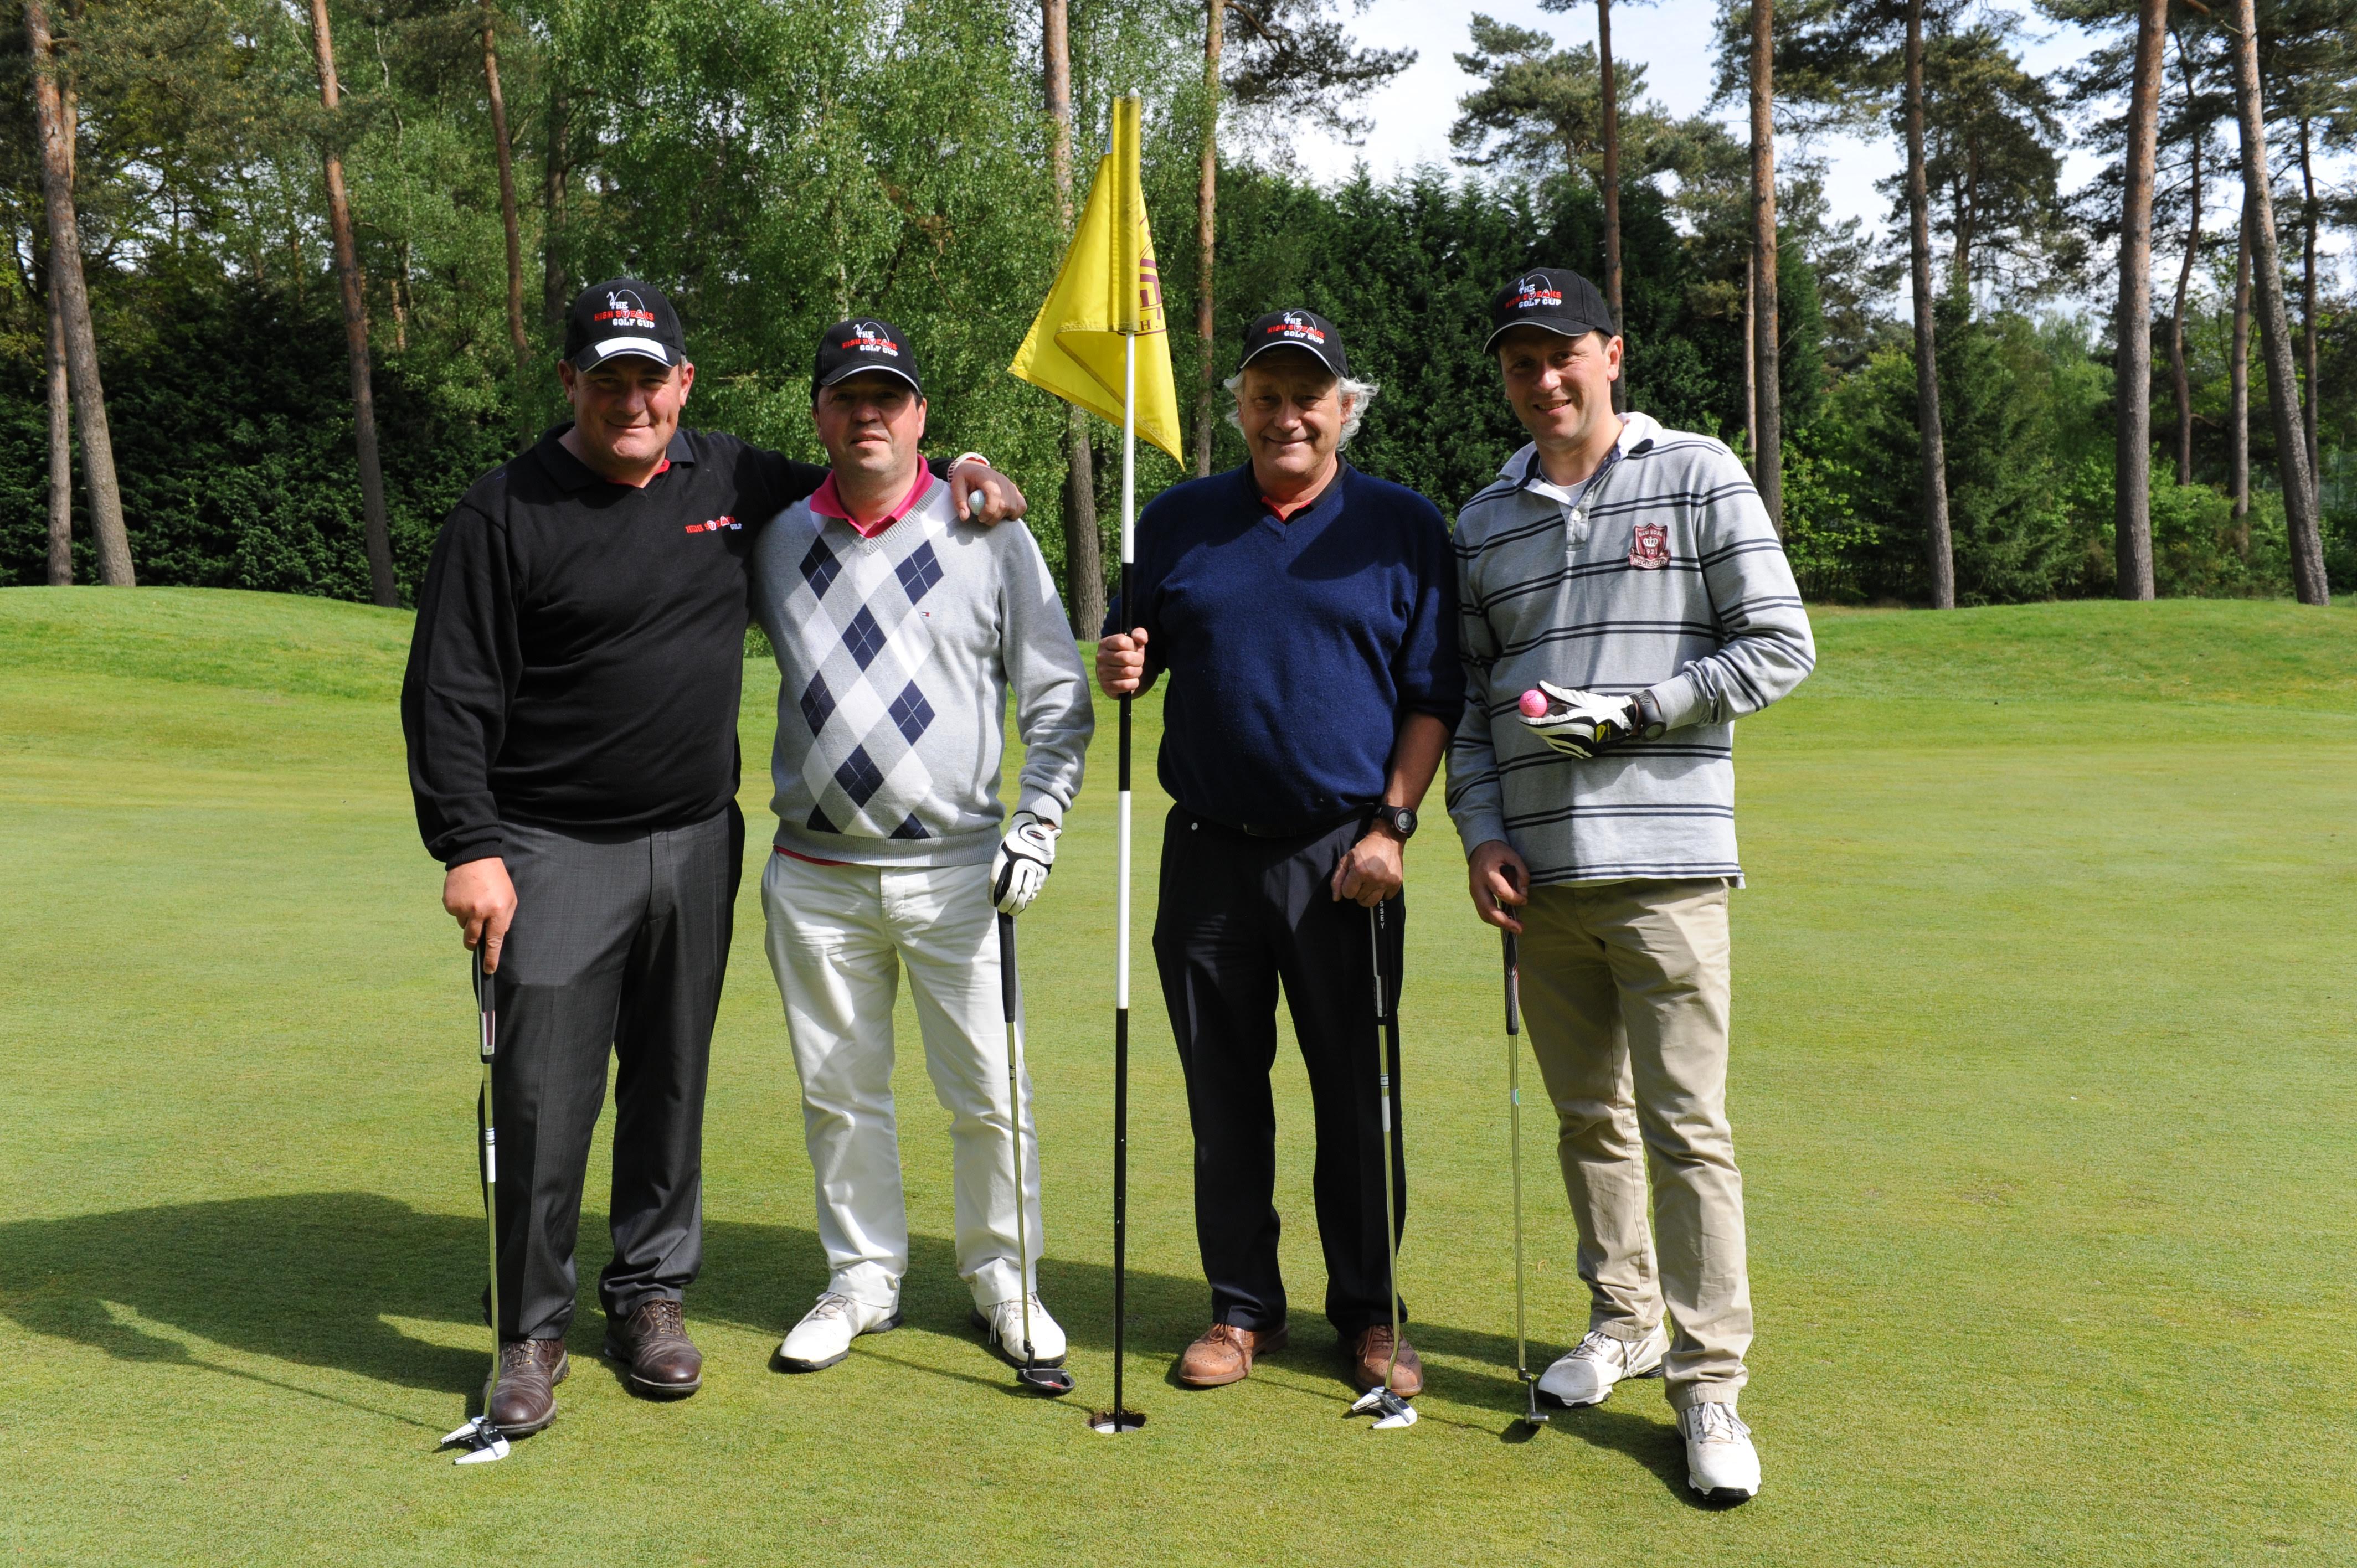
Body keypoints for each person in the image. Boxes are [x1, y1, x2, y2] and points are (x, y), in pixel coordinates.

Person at [402, 280, 1026, 1437]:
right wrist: (469, 845)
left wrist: (969, 467)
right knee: (541, 1096)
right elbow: (448, 692)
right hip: (549, 846)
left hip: (696, 838)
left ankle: (649, 1295)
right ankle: (531, 1329)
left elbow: (872, 471)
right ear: (571, 384)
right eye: (608, 379)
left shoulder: (731, 479)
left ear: (683, 383)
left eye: (651, 378)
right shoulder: (504, 509)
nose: (631, 400)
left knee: (670, 1080)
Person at [1447, 267, 1815, 1503]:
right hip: (1538, 879)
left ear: (1611, 353)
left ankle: (1709, 1385)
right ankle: (1625, 1320)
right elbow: (1470, 705)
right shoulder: (1483, 519)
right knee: (1587, 1122)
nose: (1543, 378)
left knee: (1686, 1130)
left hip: (1667, 871)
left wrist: (1636, 712)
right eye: (1521, 361)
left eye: (1563, 353)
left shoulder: (1699, 473)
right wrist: (1480, 834)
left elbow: (1780, 645)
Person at [1095, 308, 1462, 1399]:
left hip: (1347, 859)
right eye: (1266, 395)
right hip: (1207, 855)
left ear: (1345, 408)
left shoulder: (1401, 526)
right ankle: (1243, 1307)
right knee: (1224, 1099)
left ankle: (1370, 1313)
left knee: (1357, 1101)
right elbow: (1138, 650)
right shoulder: (1176, 519)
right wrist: (1121, 664)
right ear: (1241, 406)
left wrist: (1392, 826)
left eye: (1309, 396)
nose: (1287, 415)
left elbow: (1432, 696)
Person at [754, 318, 1094, 1376]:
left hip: (958, 874)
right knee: (839, 1094)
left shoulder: (988, 530)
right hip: (815, 873)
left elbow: (1057, 694)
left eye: (888, 398)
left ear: (920, 416)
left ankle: (1006, 1280)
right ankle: (862, 1279)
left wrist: (1039, 822)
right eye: (848, 397)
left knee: (990, 1093)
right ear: (819, 413)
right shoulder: (773, 536)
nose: (869, 414)